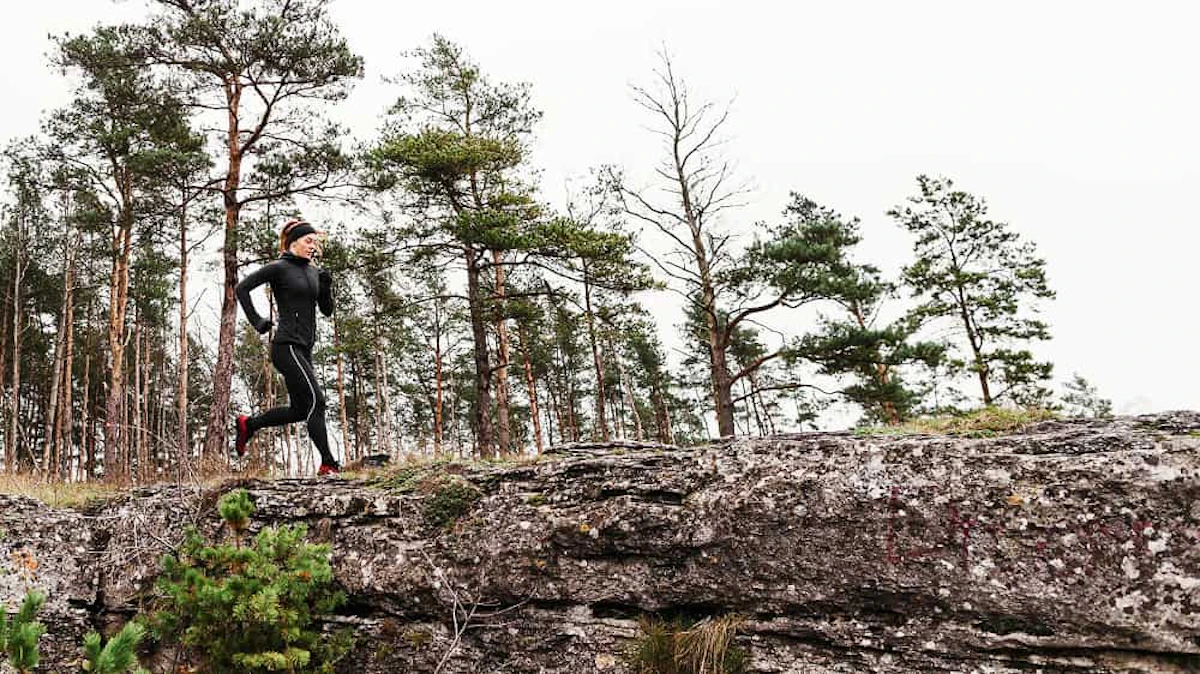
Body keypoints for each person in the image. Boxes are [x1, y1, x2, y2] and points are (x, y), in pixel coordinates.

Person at [233, 219, 339, 474]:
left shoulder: (314, 272)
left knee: (301, 409)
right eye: (308, 241)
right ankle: (328, 463)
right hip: (286, 347)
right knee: (318, 400)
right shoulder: (278, 268)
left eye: (316, 242)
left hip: (305, 348)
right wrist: (257, 320)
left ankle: (250, 424)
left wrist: (326, 287)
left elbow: (326, 310)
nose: (313, 246)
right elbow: (242, 288)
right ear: (294, 243)